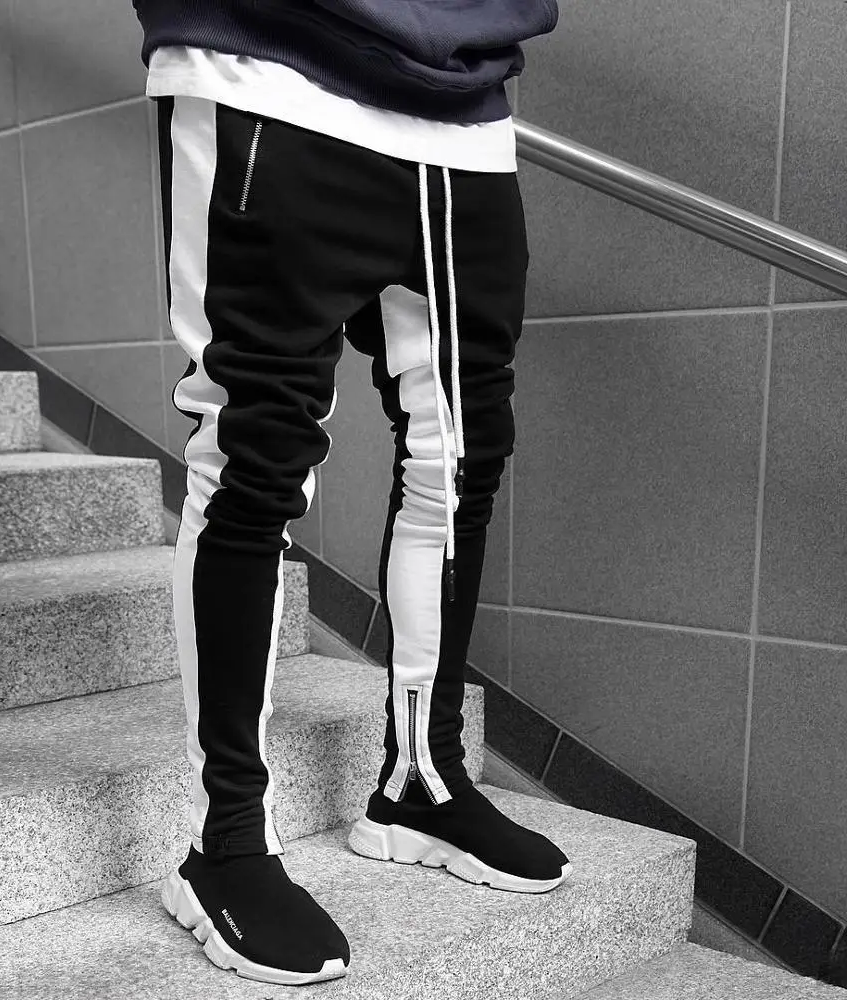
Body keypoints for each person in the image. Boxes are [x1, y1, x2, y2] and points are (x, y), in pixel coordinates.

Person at [130, 0, 569, 987]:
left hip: (467, 113)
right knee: (254, 457)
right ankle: (225, 842)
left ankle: (422, 777)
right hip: (266, 67)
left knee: (463, 461)